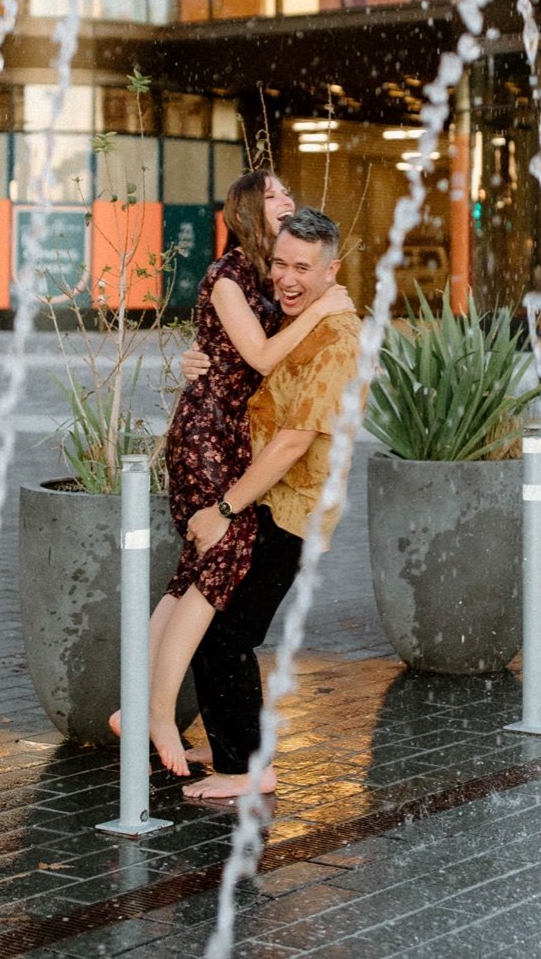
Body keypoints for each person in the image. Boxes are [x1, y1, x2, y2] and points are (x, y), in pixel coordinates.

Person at [113, 173, 351, 777]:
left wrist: (209, 353)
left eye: (289, 196)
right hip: (211, 437)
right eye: (274, 198)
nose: (287, 202)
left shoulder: (267, 284)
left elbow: (261, 359)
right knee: (211, 571)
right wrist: (323, 302)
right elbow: (264, 356)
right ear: (249, 212)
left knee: (194, 574)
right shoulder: (231, 276)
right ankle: (157, 715)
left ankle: (142, 709)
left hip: (234, 440)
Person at [182, 207, 361, 799]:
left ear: (331, 270)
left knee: (227, 635)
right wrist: (197, 361)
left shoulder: (336, 338)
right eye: (280, 263)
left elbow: (292, 444)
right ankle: (234, 745)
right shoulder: (302, 319)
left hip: (290, 511)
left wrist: (223, 509)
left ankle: (247, 771)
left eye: (303, 268)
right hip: (265, 501)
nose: (287, 277)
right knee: (229, 629)